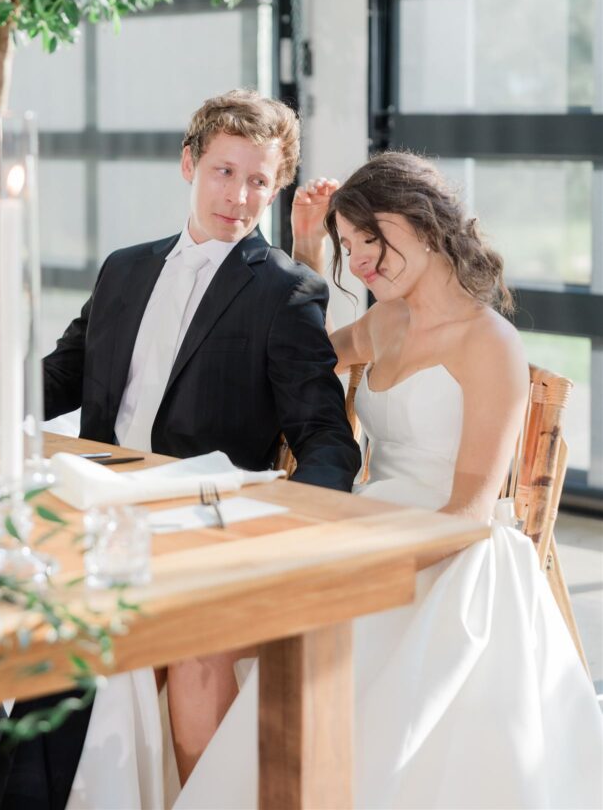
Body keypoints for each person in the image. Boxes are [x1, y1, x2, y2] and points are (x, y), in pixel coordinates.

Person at [176, 151, 603, 810]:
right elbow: (300, 354)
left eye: (368, 240)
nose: (362, 260)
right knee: (206, 627)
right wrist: (306, 249)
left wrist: (360, 559)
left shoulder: (487, 343)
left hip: (446, 553)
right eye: (350, 245)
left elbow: (467, 514)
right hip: (365, 521)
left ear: (421, 224)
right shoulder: (389, 320)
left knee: (320, 650)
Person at [0, 90, 360, 810]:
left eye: (259, 180)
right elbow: (58, 377)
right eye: (224, 172)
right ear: (188, 163)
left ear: (277, 184)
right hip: (87, 498)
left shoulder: (286, 293)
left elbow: (324, 435)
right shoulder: (123, 269)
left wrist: (297, 521)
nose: (240, 196)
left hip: (191, 519)